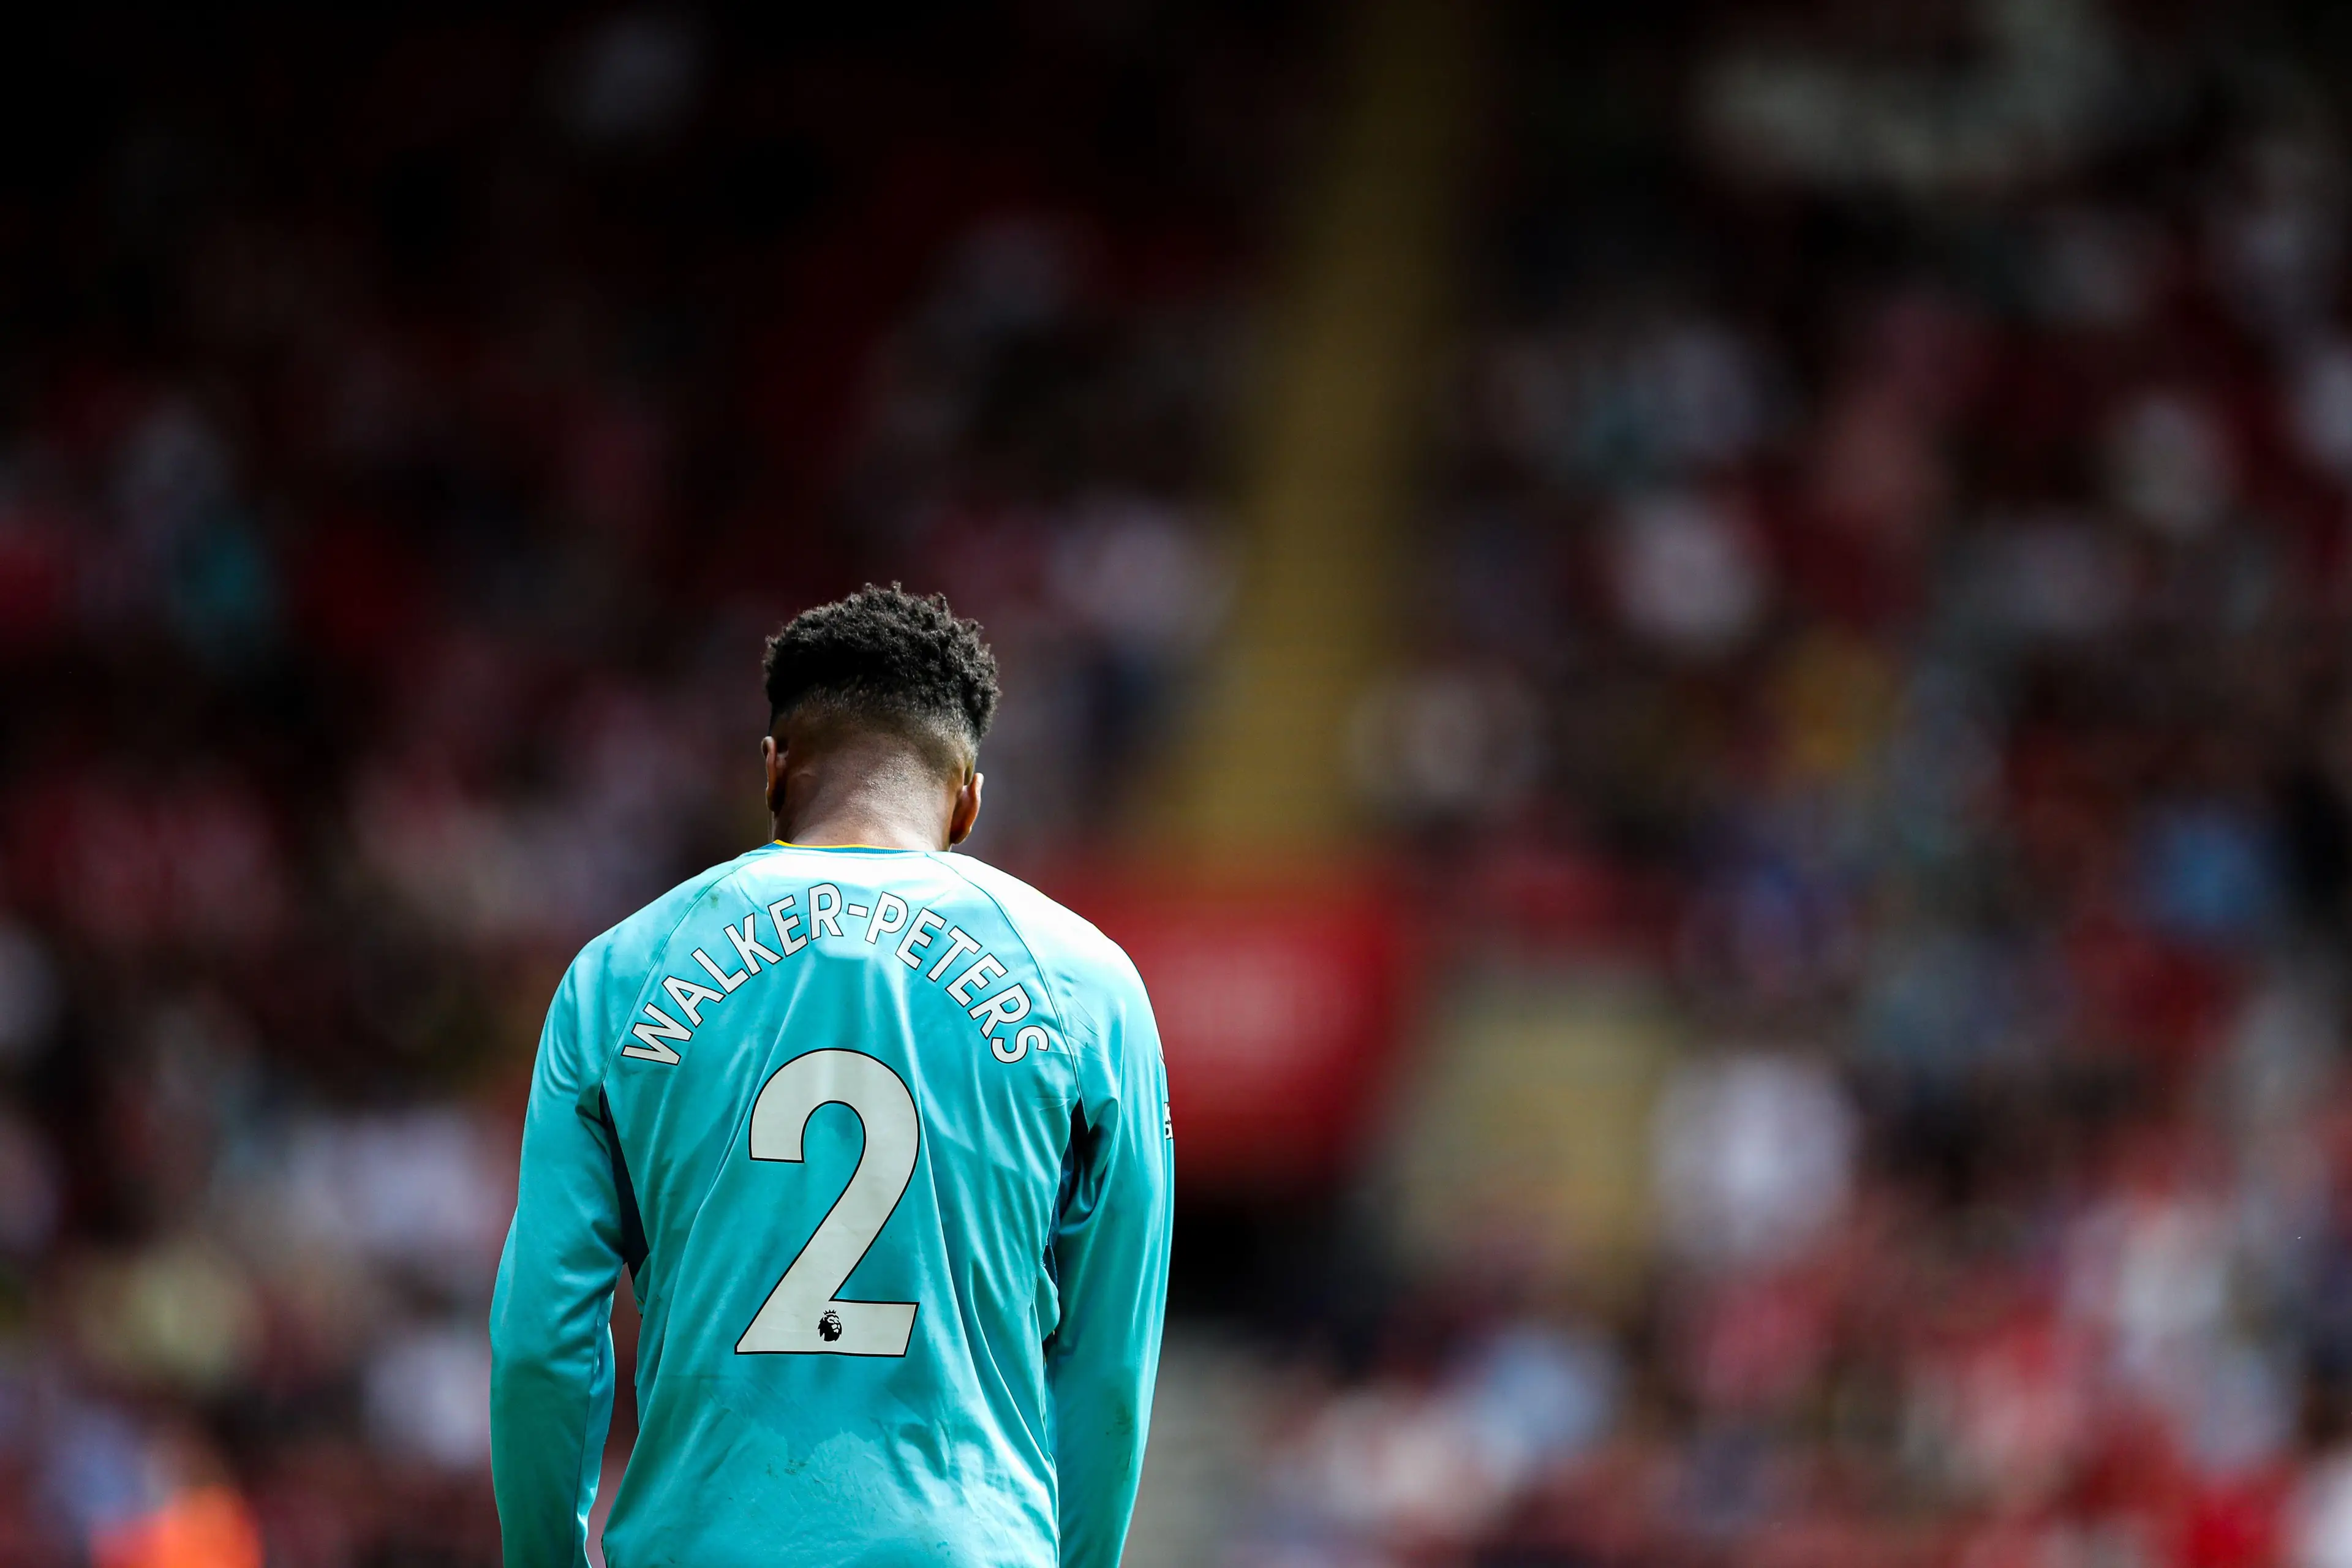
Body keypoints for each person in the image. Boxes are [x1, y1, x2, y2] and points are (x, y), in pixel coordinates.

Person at [489, 585, 1174, 1568]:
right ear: (969, 797)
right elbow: (1108, 1366)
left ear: (774, 773)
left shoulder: (618, 975)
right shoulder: (1090, 987)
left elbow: (541, 1342)